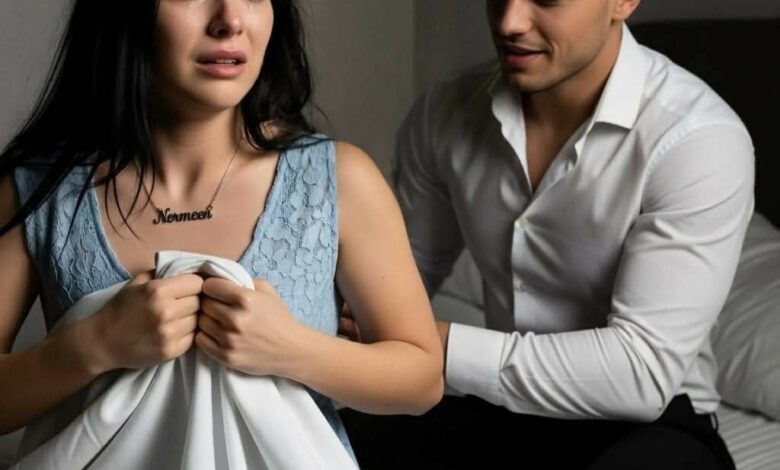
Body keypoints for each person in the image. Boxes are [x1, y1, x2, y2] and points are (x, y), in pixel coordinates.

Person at [0, 0, 443, 463]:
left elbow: (422, 380)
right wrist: (95, 344)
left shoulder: (339, 180)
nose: (230, 21)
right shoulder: (36, 189)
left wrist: (292, 349)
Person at [339, 0, 753, 468]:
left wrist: (434, 344)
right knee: (325, 444)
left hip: (653, 422)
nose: (509, 22)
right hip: (503, 410)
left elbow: (642, 372)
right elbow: (396, 278)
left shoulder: (697, 139)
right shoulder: (446, 112)